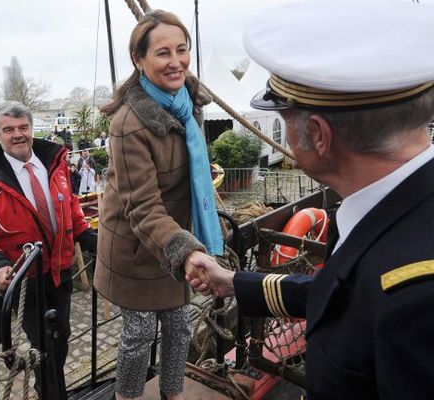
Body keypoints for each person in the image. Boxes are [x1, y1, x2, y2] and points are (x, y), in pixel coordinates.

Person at [187, 2, 434, 399]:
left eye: (283, 115)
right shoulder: (385, 215)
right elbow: (338, 293)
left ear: (317, 135)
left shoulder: (417, 298)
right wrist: (232, 282)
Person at [93, 10, 223, 400]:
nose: (176, 61)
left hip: (176, 236)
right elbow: (143, 208)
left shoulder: (188, 103)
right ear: (139, 60)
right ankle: (127, 397)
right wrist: (186, 250)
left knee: (180, 323)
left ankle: (173, 393)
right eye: (163, 52)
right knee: (139, 334)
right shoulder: (129, 122)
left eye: (182, 50)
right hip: (138, 242)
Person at [0, 100, 97, 399]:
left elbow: (69, 205)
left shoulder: (54, 162)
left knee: (60, 339)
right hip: (26, 279)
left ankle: (50, 388)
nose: (18, 134)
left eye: (23, 127)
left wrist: (89, 237)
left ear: (32, 129)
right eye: (9, 129)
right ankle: (52, 394)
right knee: (45, 346)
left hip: (61, 272)